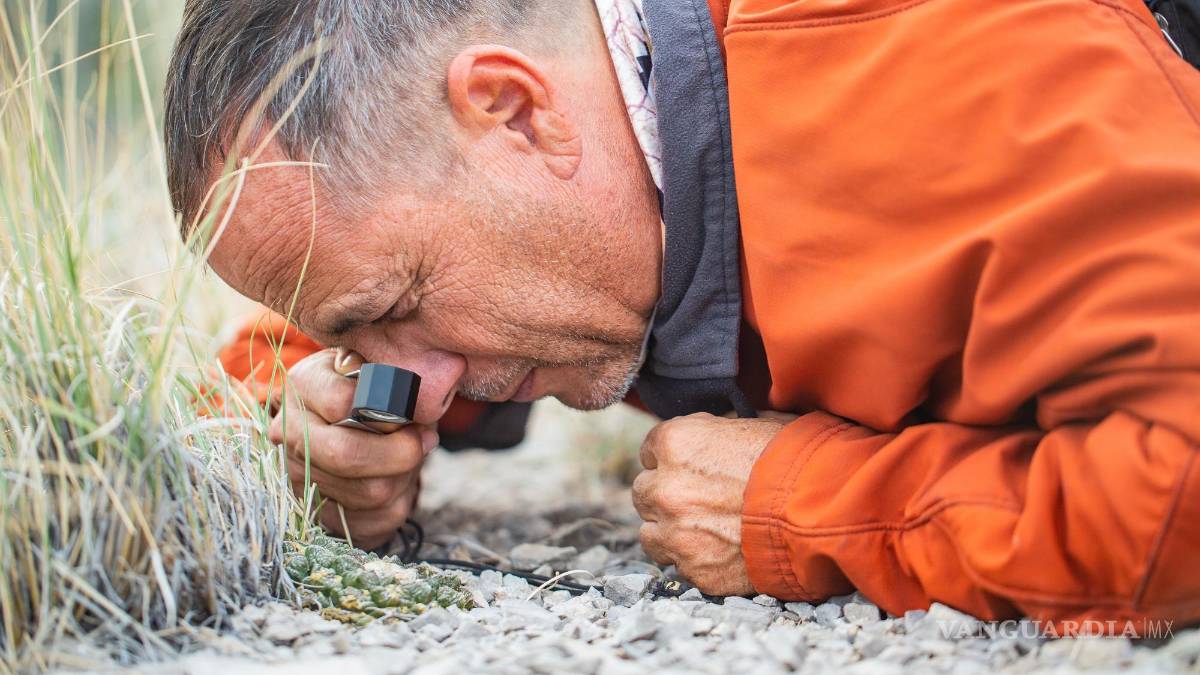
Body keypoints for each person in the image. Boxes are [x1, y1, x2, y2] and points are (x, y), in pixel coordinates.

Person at [163, 0, 1200, 631]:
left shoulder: (961, 78)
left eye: (396, 311)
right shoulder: (587, 154)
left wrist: (808, 508)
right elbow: (306, 346)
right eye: (361, 337)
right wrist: (307, 437)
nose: (411, 381)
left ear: (517, 111)